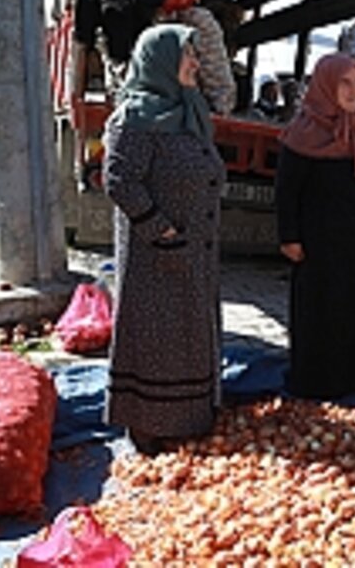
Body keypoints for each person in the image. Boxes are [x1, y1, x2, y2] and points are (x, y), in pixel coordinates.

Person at [101, 24, 225, 455]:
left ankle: (192, 415)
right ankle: (151, 424)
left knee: (190, 332)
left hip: (195, 250)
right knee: (157, 338)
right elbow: (119, 181)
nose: (195, 63)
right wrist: (161, 228)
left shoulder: (189, 110)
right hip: (157, 255)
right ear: (160, 61)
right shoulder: (134, 118)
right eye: (186, 54)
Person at [274, 53, 355, 399]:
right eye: (344, 82)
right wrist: (290, 236)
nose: (353, 90)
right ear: (326, 85)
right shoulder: (304, 132)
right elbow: (287, 189)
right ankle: (323, 382)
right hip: (323, 243)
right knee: (326, 310)